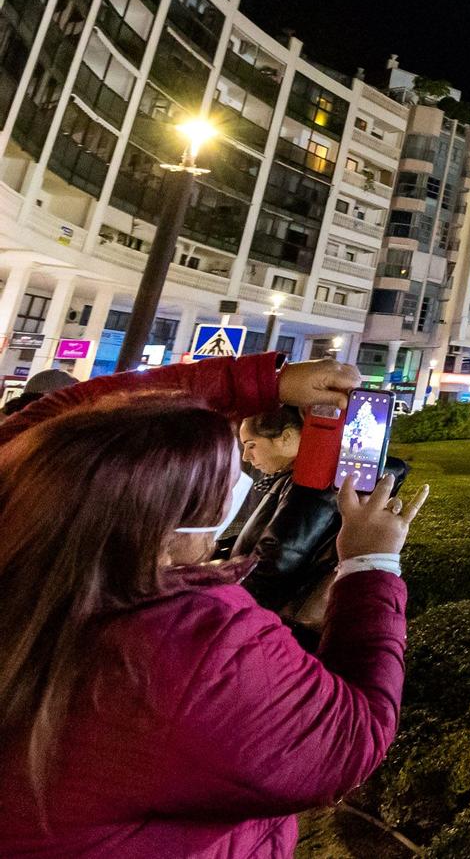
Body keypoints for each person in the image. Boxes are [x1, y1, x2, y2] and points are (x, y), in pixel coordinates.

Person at [0, 352, 423, 856]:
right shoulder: (193, 646)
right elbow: (352, 738)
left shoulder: (21, 512)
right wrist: (371, 563)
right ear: (170, 527)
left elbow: (64, 417)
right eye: (224, 491)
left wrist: (268, 383)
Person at [220, 404, 407, 625]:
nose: (246, 457)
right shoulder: (300, 477)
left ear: (286, 437)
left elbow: (280, 559)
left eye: (251, 446)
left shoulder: (314, 484)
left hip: (274, 621)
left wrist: (227, 612)